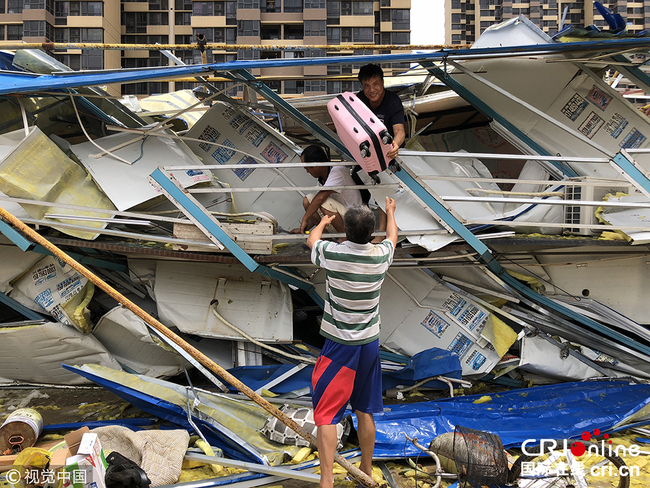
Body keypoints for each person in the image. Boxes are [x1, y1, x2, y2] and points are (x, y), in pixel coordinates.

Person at [306, 197, 398, 488]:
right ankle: (366, 472)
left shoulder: (333, 254)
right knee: (365, 409)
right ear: (372, 233)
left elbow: (312, 241)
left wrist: (321, 222)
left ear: (345, 230)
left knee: (326, 415)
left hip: (339, 345)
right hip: (369, 343)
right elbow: (393, 237)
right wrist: (391, 212)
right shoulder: (381, 256)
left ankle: (327, 481)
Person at [290, 145, 363, 234]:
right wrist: (304, 229)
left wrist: (305, 218)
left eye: (307, 168)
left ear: (316, 165)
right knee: (308, 200)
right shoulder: (322, 180)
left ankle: (344, 238)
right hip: (343, 217)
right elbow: (315, 209)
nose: (307, 172)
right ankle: (325, 237)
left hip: (355, 218)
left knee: (323, 202)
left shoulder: (338, 170)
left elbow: (320, 199)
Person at [356, 63, 406, 161]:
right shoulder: (359, 100)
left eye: (375, 84)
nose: (372, 90)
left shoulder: (393, 101)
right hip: (369, 153)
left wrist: (394, 146)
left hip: (391, 153)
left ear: (382, 83)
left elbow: (399, 130)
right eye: (366, 86)